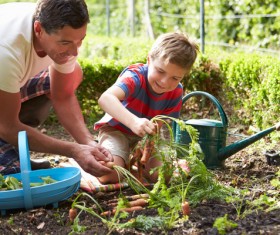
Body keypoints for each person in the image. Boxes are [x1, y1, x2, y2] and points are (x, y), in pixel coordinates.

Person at [0, 0, 114, 176]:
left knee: (72, 73)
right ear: (38, 29)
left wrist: (88, 144)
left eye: (80, 40)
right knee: (13, 176)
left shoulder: (59, 30)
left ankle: (13, 147)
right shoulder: (6, 51)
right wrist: (73, 150)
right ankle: (10, 151)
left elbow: (63, 95)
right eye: (65, 43)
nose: (74, 52)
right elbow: (6, 126)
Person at [94, 32, 199, 184]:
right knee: (109, 175)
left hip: (146, 138)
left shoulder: (176, 92)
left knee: (162, 176)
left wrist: (146, 148)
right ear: (149, 60)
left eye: (175, 78)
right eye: (160, 71)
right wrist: (133, 122)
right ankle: (112, 158)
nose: (164, 82)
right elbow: (105, 99)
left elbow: (158, 126)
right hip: (116, 131)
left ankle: (135, 163)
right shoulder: (135, 77)